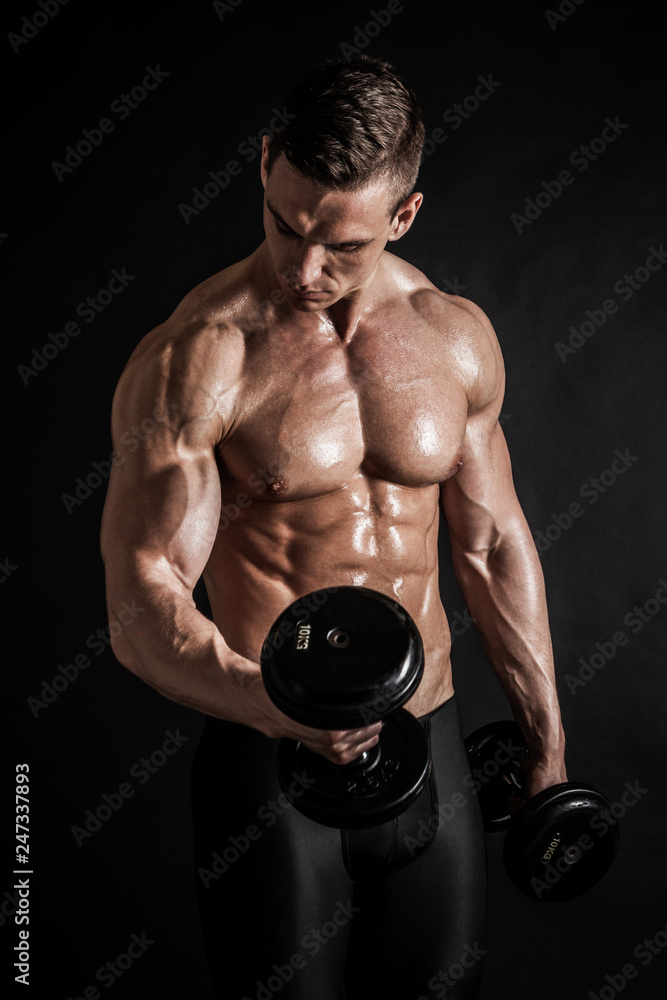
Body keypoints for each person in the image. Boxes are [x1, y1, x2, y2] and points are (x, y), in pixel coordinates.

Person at [101, 55, 567, 999]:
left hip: (428, 741)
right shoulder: (198, 358)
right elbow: (142, 601)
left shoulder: (455, 337)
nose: (304, 267)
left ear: (403, 216)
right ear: (267, 161)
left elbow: (490, 543)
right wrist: (273, 707)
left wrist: (547, 744)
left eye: (341, 246)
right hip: (271, 758)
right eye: (284, 224)